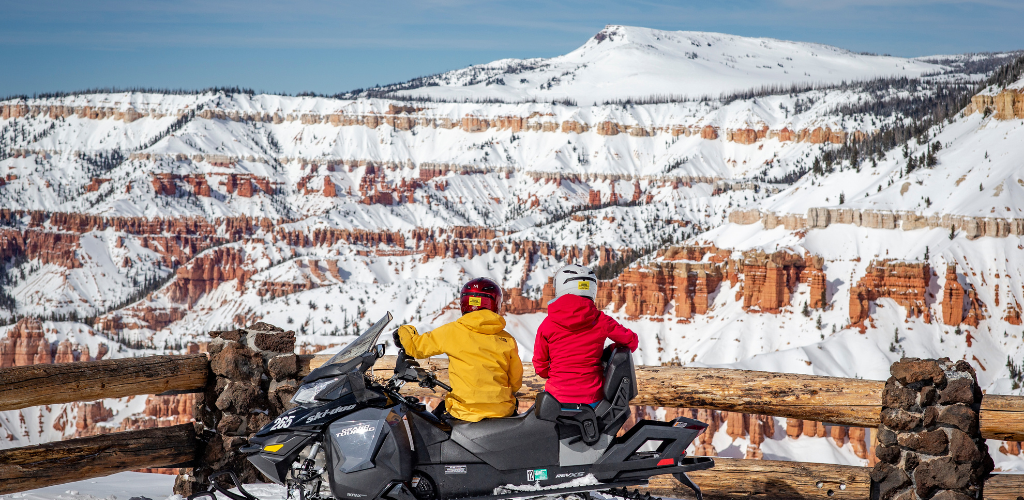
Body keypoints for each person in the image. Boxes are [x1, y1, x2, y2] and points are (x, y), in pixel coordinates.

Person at [394, 277, 523, 422]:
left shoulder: (452, 331)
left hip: (463, 412)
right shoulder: (507, 339)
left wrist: (404, 331)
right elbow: (515, 382)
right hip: (502, 412)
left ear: (464, 303)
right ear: (495, 303)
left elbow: (416, 348)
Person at [533, 264, 639, 405]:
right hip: (592, 399)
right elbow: (631, 341)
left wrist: (555, 375)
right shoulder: (601, 320)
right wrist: (610, 351)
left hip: (555, 399)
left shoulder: (547, 324)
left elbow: (540, 367)